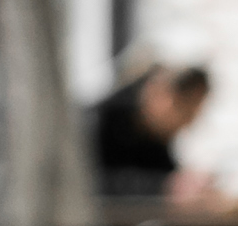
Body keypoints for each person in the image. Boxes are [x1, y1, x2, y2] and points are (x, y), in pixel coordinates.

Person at [91, 62, 214, 202]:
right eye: (187, 112)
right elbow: (90, 185)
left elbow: (163, 174)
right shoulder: (99, 122)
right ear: (162, 95)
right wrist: (166, 187)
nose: (188, 123)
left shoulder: (153, 135)